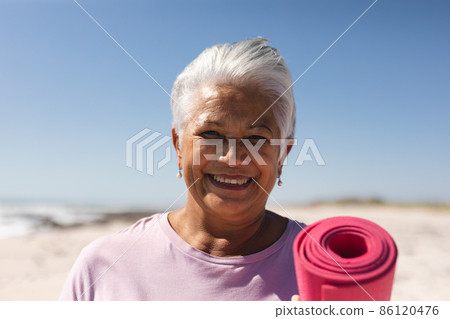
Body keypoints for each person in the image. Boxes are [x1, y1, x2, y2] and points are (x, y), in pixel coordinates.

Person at [59, 37, 305, 301]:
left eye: (256, 138)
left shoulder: (334, 265)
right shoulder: (101, 265)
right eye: (211, 134)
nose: (233, 158)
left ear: (282, 155)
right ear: (179, 146)